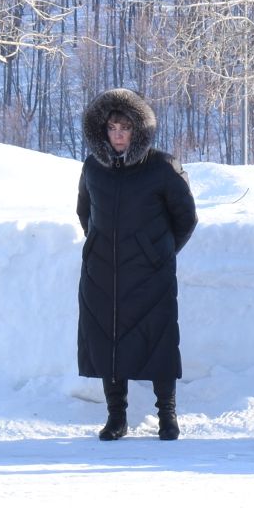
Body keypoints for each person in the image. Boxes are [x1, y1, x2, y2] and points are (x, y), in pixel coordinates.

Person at [76, 88, 197, 441]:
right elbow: (85, 213)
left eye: (124, 128)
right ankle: (117, 416)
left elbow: (185, 217)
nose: (117, 134)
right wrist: (99, 245)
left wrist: (157, 252)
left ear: (137, 130)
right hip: (102, 273)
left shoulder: (161, 166)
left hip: (150, 273)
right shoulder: (92, 167)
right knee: (108, 343)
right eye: (112, 127)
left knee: (158, 341)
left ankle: (167, 415)